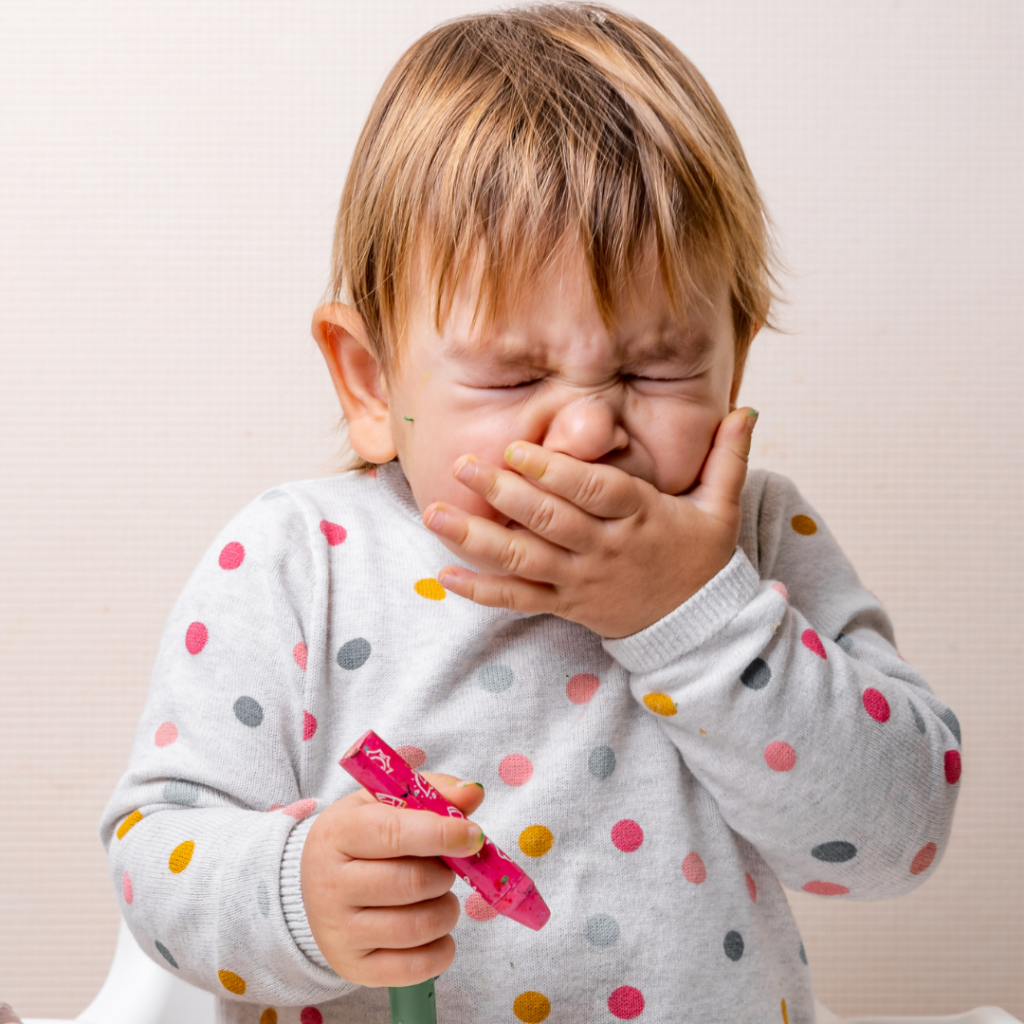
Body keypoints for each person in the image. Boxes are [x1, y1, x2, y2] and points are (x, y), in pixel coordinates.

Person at [100, 6, 962, 1022]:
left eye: (656, 365)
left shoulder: (752, 544)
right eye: (513, 376)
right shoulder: (298, 559)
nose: (589, 431)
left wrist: (695, 617)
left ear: (735, 360)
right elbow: (159, 852)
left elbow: (894, 841)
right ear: (371, 382)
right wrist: (299, 892)